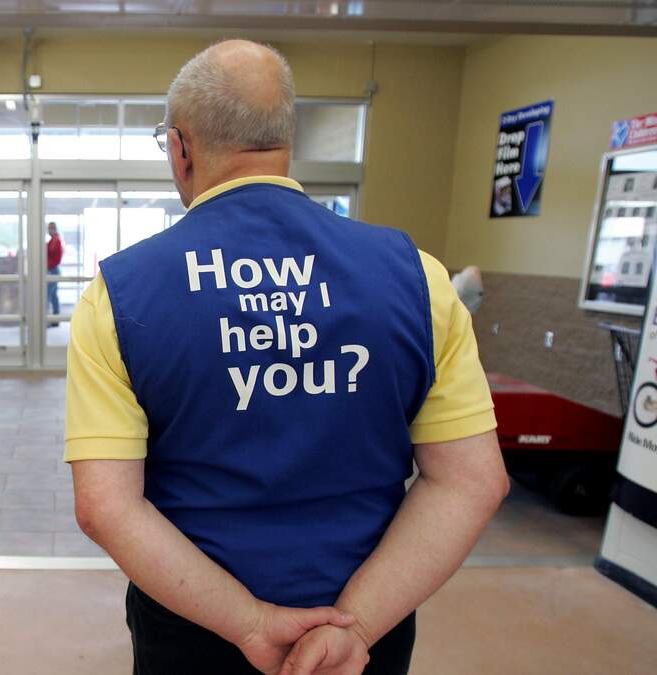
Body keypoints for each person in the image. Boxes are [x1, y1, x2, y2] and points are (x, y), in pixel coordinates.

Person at [65, 40, 508, 675]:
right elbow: (471, 481)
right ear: (284, 139)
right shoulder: (419, 279)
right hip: (363, 638)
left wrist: (251, 622)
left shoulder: (120, 295)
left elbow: (105, 507)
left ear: (180, 148)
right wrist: (356, 627)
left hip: (195, 633)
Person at [47, 222, 64, 322]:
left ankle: (48, 319)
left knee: (48, 295)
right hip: (52, 270)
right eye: (49, 228)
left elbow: (53, 255)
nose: (49, 230)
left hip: (53, 270)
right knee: (53, 295)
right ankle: (55, 319)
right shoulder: (53, 240)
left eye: (51, 228)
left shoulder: (56, 241)